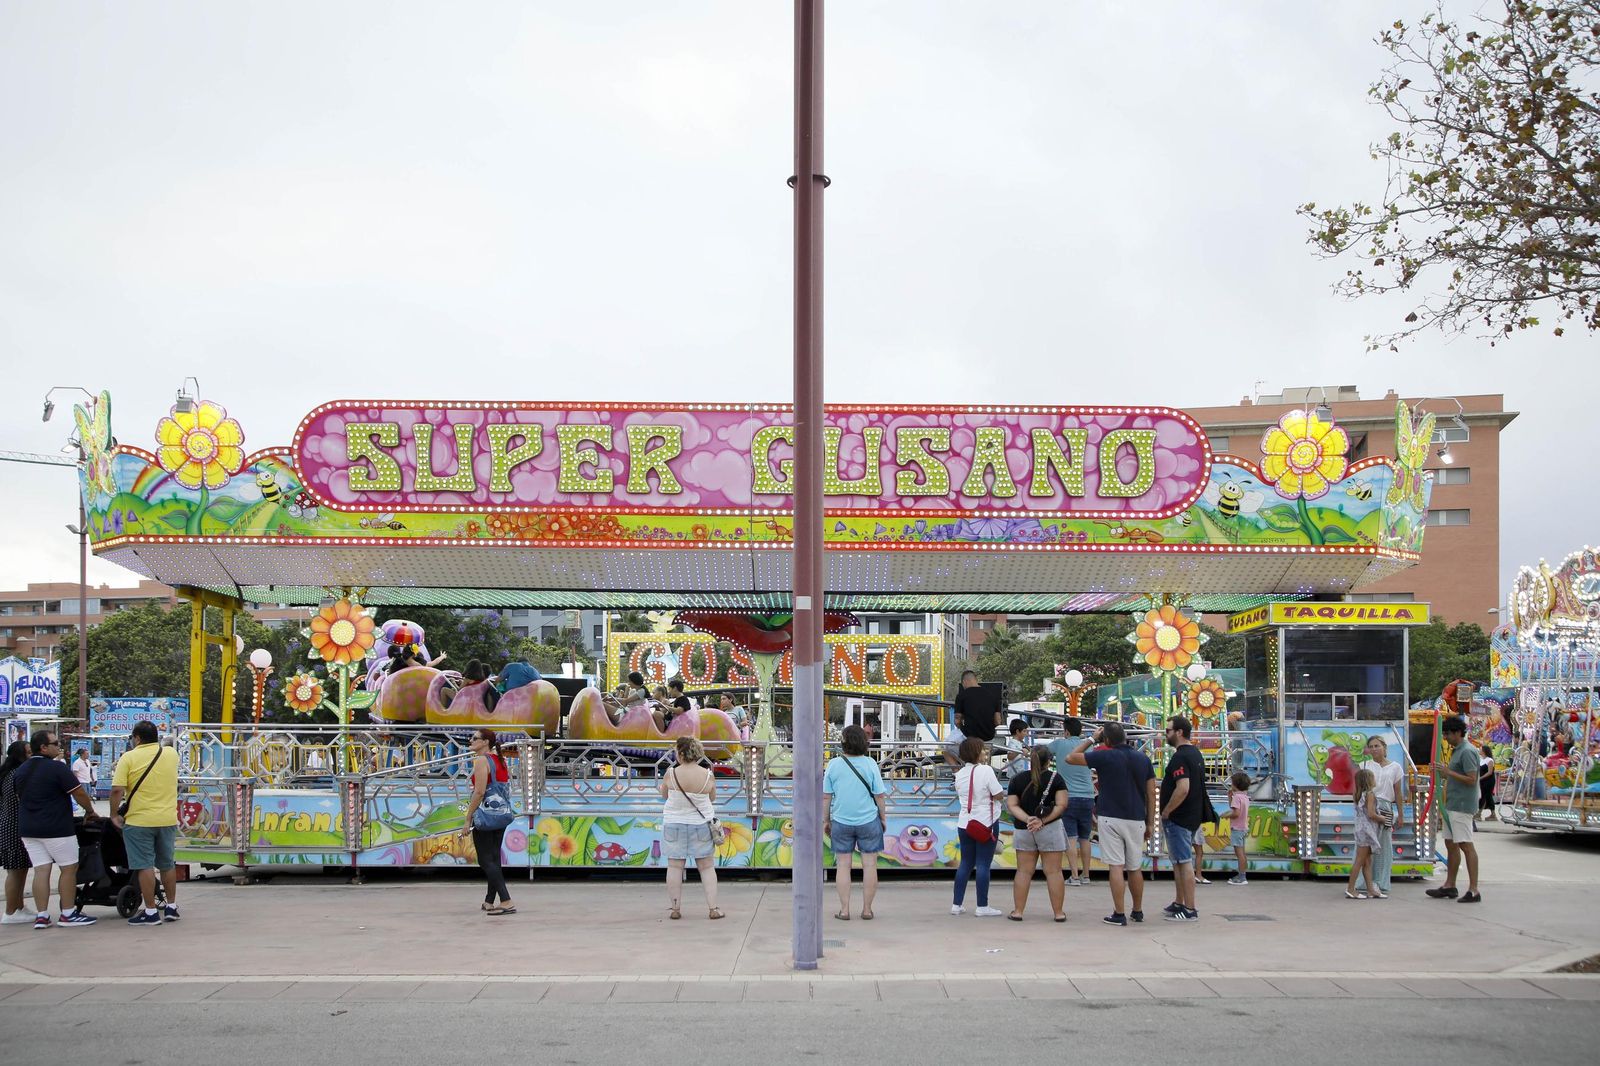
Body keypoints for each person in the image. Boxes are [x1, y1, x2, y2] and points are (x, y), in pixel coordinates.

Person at [1067, 721, 1156, 926]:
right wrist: (1150, 822)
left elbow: (1070, 757)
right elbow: (1151, 792)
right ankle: (1138, 910)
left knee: (1116, 866)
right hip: (1136, 817)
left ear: (1106, 739)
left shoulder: (1104, 755)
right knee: (1134, 867)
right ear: (1125, 737)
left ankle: (1119, 913)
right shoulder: (1143, 759)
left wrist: (1092, 739)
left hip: (1110, 816)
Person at [17, 730, 99, 928]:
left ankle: (42, 916)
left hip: (29, 829)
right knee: (69, 869)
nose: (58, 746)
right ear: (43, 747)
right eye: (55, 743)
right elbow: (78, 793)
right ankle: (68, 913)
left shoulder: (21, 770)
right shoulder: (56, 768)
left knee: (41, 870)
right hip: (57, 828)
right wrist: (90, 810)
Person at [109, 719, 180, 926]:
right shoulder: (171, 754)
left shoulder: (128, 758)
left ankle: (150, 911)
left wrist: (114, 814)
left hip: (139, 821)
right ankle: (171, 907)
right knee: (167, 864)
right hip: (167, 819)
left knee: (144, 865)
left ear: (137, 738)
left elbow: (117, 790)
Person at [822, 725, 887, 920]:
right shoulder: (870, 764)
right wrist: (883, 818)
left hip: (841, 821)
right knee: (870, 866)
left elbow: (826, 797)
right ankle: (867, 910)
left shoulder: (834, 764)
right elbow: (880, 795)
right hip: (869, 820)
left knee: (843, 866)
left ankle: (844, 910)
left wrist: (826, 820)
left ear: (843, 743)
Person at [657, 735, 722, 920]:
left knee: (675, 866)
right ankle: (713, 908)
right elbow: (712, 798)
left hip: (674, 823)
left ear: (681, 753)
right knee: (707, 867)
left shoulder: (671, 773)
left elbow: (664, 794)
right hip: (701, 825)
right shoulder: (708, 775)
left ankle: (675, 908)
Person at [1005, 746, 1068, 922]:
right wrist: (1041, 821)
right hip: (1050, 828)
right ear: (1049, 761)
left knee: (1024, 871)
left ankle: (1018, 911)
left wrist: (1028, 820)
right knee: (1054, 871)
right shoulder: (1056, 779)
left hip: (1024, 829)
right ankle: (1058, 913)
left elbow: (1012, 805)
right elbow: (1061, 805)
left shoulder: (1017, 779)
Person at [457, 727, 515, 915]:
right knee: (494, 858)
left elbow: (480, 791)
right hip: (501, 814)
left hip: (486, 815)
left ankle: (506, 900)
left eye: (474, 738)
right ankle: (490, 900)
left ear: (485, 742)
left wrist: (468, 818)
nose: (471, 741)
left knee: (485, 859)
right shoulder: (499, 759)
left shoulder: (481, 760)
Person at [1427, 716, 1483, 903]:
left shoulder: (1467, 751)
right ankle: (1450, 885)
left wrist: (1448, 772)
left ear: (1458, 732)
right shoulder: (1457, 751)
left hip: (1462, 805)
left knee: (1465, 844)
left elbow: (1471, 778)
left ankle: (1473, 889)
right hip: (1453, 803)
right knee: (1452, 844)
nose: (1446, 737)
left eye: (1448, 733)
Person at [1158, 716, 1206, 922]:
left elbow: (1183, 787)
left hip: (1180, 817)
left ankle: (1190, 908)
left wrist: (1167, 810)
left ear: (1178, 732)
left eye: (1168, 731)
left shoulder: (1180, 757)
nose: (1165, 734)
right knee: (1178, 861)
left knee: (1183, 862)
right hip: (1191, 815)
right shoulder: (1195, 753)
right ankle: (1180, 902)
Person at [952, 737, 1006, 917]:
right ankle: (982, 906)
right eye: (983, 750)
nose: (985, 752)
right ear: (976, 752)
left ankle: (956, 904)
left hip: (965, 823)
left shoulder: (959, 774)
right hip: (986, 823)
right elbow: (998, 794)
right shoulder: (986, 770)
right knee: (983, 864)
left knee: (965, 863)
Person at [1048, 717, 1096, 886]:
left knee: (1071, 838)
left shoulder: (1059, 744)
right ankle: (1087, 875)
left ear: (1066, 731)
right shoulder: (1089, 746)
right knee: (1085, 838)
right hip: (1089, 796)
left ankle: (1074, 876)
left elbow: (1041, 752)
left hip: (1069, 797)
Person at [1355, 735, 1404, 896]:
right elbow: (1358, 788)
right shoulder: (1364, 765)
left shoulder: (1395, 767)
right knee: (1366, 846)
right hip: (1369, 806)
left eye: (1377, 746)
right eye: (1371, 746)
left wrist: (1401, 814)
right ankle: (1363, 883)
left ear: (1384, 747)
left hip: (1386, 806)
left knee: (1384, 845)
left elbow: (1398, 792)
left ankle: (1381, 882)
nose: (1374, 749)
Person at [1, 741, 34, 925]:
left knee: (20, 869)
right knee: (15, 871)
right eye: (29, 753)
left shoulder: (7, 775)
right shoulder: (16, 775)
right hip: (14, 827)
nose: (31, 756)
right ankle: (11, 911)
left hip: (10, 825)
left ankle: (19, 906)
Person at [1345, 767, 1383, 900]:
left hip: (1361, 828)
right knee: (1360, 860)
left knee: (1367, 861)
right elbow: (1372, 814)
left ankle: (1370, 889)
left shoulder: (1358, 794)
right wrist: (1384, 818)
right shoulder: (1370, 794)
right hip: (1367, 830)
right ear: (1369, 780)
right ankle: (1350, 888)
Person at [1226, 771, 1251, 885]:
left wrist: (1226, 816)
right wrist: (1230, 797)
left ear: (1235, 784)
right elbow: (1234, 807)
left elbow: (1235, 813)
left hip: (1237, 828)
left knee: (1239, 853)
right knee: (1242, 853)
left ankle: (1242, 877)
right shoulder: (1244, 797)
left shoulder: (1237, 797)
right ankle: (1243, 874)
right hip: (1243, 827)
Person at [70, 747, 95, 815]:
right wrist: (76, 782)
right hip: (81, 781)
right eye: (86, 754)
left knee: (88, 795)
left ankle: (85, 807)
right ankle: (83, 807)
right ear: (82, 754)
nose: (88, 755)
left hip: (87, 781)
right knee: (84, 795)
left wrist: (92, 778)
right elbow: (75, 773)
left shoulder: (87, 761)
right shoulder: (77, 762)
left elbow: (89, 770)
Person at [1479, 743, 1497, 821]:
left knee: (1486, 796)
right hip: (1482, 781)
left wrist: (1481, 778)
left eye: (1480, 749)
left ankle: (1479, 813)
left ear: (1484, 751)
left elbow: (1489, 772)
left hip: (1489, 781)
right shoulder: (1481, 760)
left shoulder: (1490, 760)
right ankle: (1492, 814)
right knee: (1485, 796)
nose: (1479, 750)